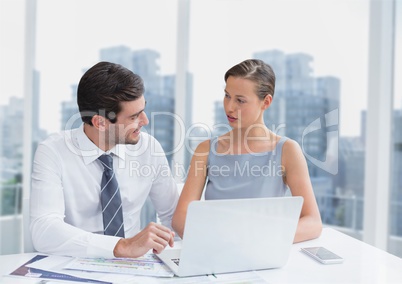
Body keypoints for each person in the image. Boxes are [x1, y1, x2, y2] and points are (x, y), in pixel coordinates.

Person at [30, 61, 179, 258]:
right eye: (134, 116)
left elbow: (172, 217)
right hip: (74, 264)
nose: (145, 121)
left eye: (143, 110)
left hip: (136, 268)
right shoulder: (53, 151)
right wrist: (121, 246)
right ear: (100, 122)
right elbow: (44, 230)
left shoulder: (149, 148)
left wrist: (173, 256)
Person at [172, 59, 322, 242]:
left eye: (240, 100)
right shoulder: (205, 149)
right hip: (215, 251)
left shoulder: (287, 150)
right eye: (227, 96)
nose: (229, 107)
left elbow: (313, 222)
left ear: (266, 102)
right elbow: (181, 219)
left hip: (262, 253)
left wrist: (260, 237)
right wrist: (217, 240)